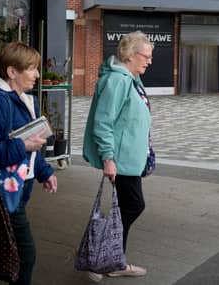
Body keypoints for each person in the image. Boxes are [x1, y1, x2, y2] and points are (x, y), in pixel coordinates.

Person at [0, 42, 57, 285]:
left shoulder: (26, 100)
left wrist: (44, 171)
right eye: (32, 69)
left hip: (16, 190)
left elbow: (32, 146)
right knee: (26, 256)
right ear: (12, 72)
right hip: (2, 195)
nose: (37, 75)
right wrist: (21, 146)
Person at [83, 31, 153, 281]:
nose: (149, 61)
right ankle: (105, 258)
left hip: (128, 158)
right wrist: (108, 157)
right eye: (146, 56)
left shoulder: (131, 78)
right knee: (133, 205)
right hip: (119, 159)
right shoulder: (118, 81)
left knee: (124, 208)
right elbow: (103, 122)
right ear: (131, 55)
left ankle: (111, 260)